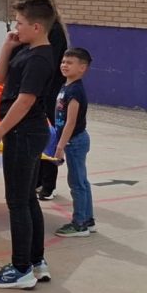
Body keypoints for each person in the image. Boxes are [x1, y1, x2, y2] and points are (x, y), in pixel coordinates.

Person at [0, 0, 56, 289]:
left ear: (37, 27)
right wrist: (7, 45)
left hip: (24, 133)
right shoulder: (26, 50)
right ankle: (35, 260)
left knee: (17, 202)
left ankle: (21, 268)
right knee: (26, 199)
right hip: (23, 132)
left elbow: (25, 101)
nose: (16, 27)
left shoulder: (40, 58)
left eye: (20, 23)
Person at [53, 48, 95, 237]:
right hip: (71, 140)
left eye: (70, 63)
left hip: (75, 141)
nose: (64, 65)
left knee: (77, 183)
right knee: (81, 182)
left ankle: (79, 224)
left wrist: (60, 146)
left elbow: (70, 122)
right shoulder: (67, 86)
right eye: (63, 61)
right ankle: (88, 220)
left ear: (82, 68)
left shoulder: (76, 90)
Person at [35, 0, 69, 201]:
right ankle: (39, 179)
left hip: (49, 93)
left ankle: (48, 184)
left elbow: (49, 64)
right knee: (39, 136)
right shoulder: (41, 29)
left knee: (48, 136)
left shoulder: (54, 31)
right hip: (41, 92)